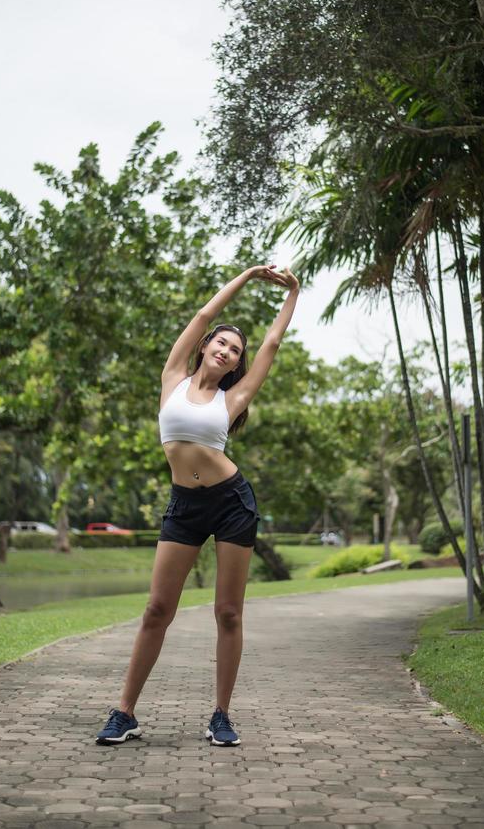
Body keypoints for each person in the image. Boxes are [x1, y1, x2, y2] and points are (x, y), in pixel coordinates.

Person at [96, 262, 300, 747]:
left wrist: (293, 292)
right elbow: (205, 311)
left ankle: (221, 715)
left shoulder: (233, 399)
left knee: (228, 613)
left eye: (235, 351)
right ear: (205, 346)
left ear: (235, 365)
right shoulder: (172, 377)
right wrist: (249, 275)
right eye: (221, 343)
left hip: (232, 502)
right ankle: (124, 712)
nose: (227, 352)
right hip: (184, 505)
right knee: (156, 609)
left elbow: (271, 344)